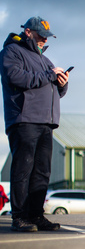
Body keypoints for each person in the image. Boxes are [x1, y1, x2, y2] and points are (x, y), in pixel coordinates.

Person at [1, 16, 69, 232]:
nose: (43, 40)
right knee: (24, 169)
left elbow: (52, 90)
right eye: (40, 35)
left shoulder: (44, 60)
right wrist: (49, 75)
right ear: (28, 32)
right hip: (24, 119)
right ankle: (19, 217)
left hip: (46, 122)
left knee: (42, 172)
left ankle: (36, 215)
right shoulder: (12, 51)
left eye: (46, 37)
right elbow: (16, 77)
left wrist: (61, 84)